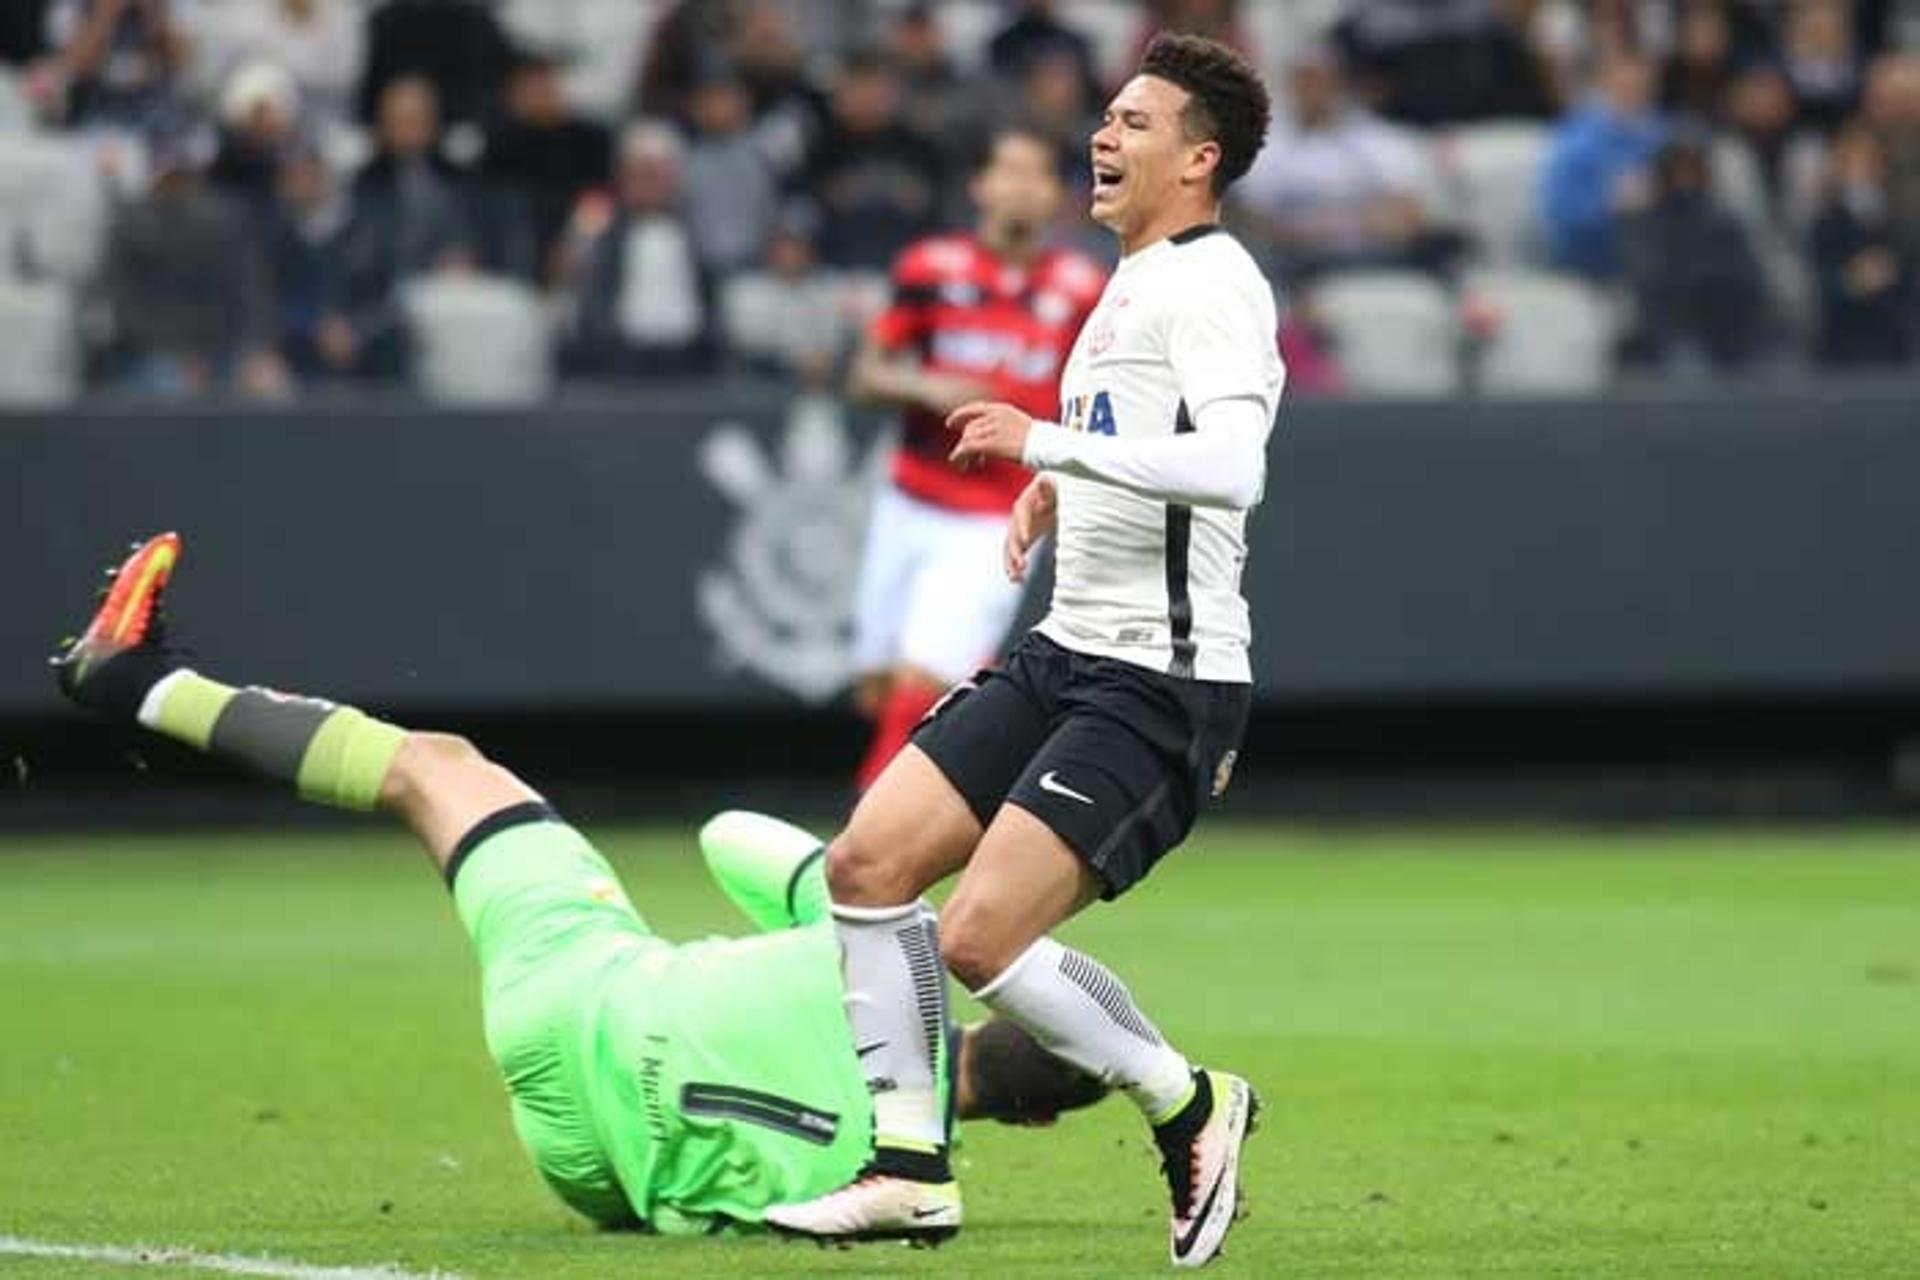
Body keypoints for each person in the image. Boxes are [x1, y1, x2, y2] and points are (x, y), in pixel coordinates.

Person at [52, 533, 1109, 1239]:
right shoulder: (902, 1179)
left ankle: (136, 679)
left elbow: (728, 835)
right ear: (1033, 1124)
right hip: (590, 1169)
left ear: (997, 996)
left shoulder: (903, 950)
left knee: (438, 768)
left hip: (579, 996)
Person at [763, 34, 1280, 1268]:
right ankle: (908, 1171)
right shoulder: (1127, 283)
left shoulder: (1213, 281)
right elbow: (1132, 445)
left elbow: (1232, 466)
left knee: (980, 941)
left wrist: (1053, 448)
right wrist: (1063, 491)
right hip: (1063, 650)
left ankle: (1190, 1101)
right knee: (870, 861)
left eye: (1137, 124)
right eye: (1105, 116)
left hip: (1161, 679)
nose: (1104, 137)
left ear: (1200, 159)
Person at [845, 125, 1106, 793]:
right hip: (908, 496)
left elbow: (1101, 399)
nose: (1021, 187)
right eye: (1008, 171)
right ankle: (959, 811)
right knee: (882, 688)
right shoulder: (929, 268)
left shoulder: (1082, 289)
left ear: (1055, 196)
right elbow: (867, 375)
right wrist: (927, 385)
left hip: (995, 516)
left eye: (1037, 175)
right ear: (980, 185)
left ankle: (861, 859)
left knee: (920, 685)